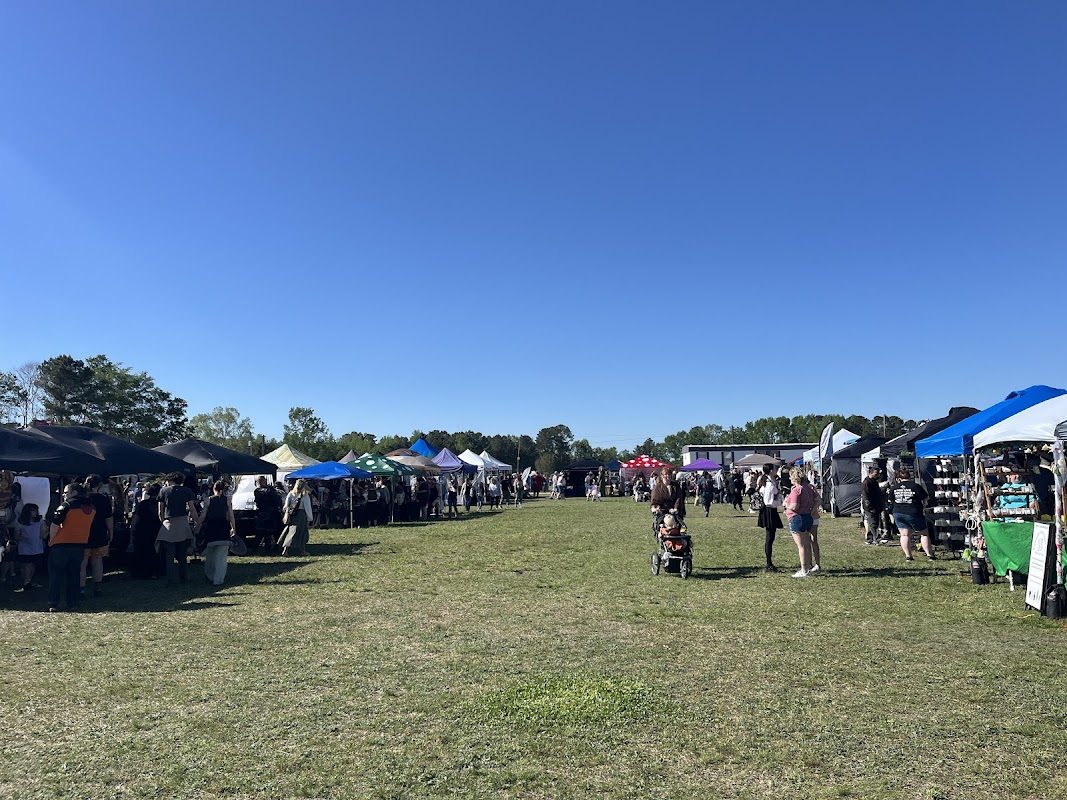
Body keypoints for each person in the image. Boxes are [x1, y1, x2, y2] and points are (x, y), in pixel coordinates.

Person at [47, 483, 96, 612]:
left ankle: (53, 603)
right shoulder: (91, 508)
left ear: (74, 492)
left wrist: (51, 541)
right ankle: (73, 602)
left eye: (66, 492)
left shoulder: (66, 505)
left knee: (56, 576)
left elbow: (55, 525)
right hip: (79, 545)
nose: (64, 495)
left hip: (61, 545)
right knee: (74, 576)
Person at [157, 472, 199, 585]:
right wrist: (197, 522)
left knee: (169, 555)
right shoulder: (187, 491)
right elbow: (192, 509)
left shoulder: (163, 491)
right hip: (182, 524)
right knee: (182, 554)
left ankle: (170, 579)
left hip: (169, 524)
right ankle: (183, 576)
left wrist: (163, 521)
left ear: (170, 480)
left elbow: (160, 511)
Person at [196, 480, 237, 586]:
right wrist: (233, 528)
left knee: (210, 555)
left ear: (213, 488)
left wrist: (197, 527)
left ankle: (210, 575)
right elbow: (231, 515)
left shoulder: (208, 500)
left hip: (211, 530)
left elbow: (203, 516)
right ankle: (218, 580)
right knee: (221, 558)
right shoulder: (228, 500)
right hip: (223, 529)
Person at [889, 466, 933, 561]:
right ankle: (930, 555)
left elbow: (890, 500)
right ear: (909, 476)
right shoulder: (915, 486)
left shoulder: (894, 487)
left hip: (898, 512)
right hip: (913, 511)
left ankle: (908, 556)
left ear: (898, 478)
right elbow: (925, 498)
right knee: (924, 534)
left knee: (904, 535)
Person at [784, 467, 819, 578]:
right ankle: (808, 567)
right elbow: (817, 499)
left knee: (801, 546)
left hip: (797, 518)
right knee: (807, 544)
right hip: (808, 517)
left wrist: (786, 504)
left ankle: (804, 569)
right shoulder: (808, 488)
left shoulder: (796, 490)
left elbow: (795, 506)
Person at [82, 475, 114, 597]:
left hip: (83, 534)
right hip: (100, 532)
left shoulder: (82, 499)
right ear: (99, 485)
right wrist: (111, 532)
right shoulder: (104, 499)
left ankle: (81, 588)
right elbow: (108, 518)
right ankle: (97, 587)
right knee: (97, 560)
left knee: (82, 562)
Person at [129, 483, 162, 578]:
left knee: (141, 551)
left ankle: (140, 572)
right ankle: (154, 571)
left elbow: (136, 517)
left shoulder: (143, 503)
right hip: (156, 529)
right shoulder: (160, 504)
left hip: (142, 529)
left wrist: (132, 528)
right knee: (154, 551)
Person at [13, 503, 46, 591]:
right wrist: (23, 538)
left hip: (37, 547)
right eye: (33, 511)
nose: (35, 513)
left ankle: (29, 581)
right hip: (25, 547)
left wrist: (44, 534)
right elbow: (16, 535)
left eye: (36, 511)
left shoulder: (39, 521)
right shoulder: (20, 522)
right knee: (27, 564)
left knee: (33, 565)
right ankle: (27, 582)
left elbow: (43, 534)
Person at [758, 464, 784, 572]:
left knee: (770, 538)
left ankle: (769, 563)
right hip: (769, 511)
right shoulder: (769, 484)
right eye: (775, 469)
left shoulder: (769, 481)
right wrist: (780, 501)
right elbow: (768, 501)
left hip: (770, 510)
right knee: (769, 538)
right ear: (771, 470)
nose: (777, 470)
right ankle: (768, 564)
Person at [280, 479, 313, 556]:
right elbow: (307, 508)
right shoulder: (305, 495)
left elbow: (286, 506)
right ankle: (302, 551)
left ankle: (286, 550)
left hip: (292, 515)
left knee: (290, 532)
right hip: (301, 515)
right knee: (302, 533)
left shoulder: (291, 493)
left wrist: (287, 513)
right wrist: (310, 518)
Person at [252, 477, 283, 554]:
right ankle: (267, 549)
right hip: (270, 513)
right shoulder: (270, 491)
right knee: (268, 533)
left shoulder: (256, 491)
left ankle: (255, 549)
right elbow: (277, 501)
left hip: (261, 514)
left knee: (260, 533)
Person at [861, 466, 886, 545]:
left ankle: (870, 538)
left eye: (878, 474)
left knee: (873, 522)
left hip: (876, 505)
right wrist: (869, 507)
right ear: (870, 473)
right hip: (870, 506)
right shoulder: (866, 483)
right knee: (873, 522)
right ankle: (877, 538)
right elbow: (865, 496)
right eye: (876, 474)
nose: (877, 475)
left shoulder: (874, 481)